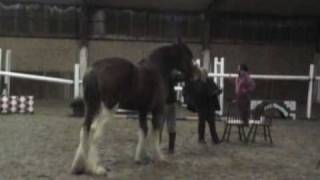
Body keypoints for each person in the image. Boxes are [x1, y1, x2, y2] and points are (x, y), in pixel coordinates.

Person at [183, 68, 221, 144]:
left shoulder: (210, 81)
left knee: (212, 123)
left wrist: (217, 91)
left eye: (206, 73)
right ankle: (201, 139)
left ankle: (215, 139)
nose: (205, 75)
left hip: (210, 106)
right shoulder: (198, 82)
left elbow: (215, 89)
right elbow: (198, 92)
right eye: (204, 73)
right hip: (202, 106)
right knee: (202, 123)